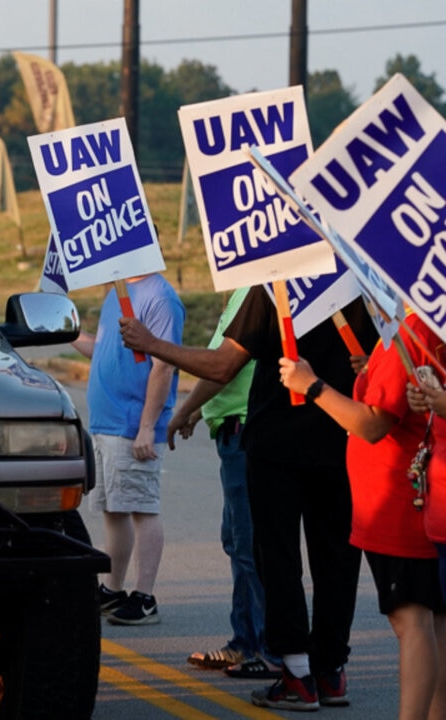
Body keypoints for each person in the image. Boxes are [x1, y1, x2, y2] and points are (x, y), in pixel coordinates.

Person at [120, 288, 376, 711]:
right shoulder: (353, 278)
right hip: (341, 437)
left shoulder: (274, 283)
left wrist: (152, 344)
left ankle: (297, 675)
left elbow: (224, 365)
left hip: (277, 443)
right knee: (336, 559)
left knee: (277, 559)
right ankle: (331, 674)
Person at [281, 311, 446, 719]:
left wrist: (312, 386)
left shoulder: (413, 328)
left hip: (398, 498)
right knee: (431, 623)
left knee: (412, 622)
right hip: (404, 492)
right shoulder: (414, 324)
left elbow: (372, 424)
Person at [170, 288, 278, 679]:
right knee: (237, 542)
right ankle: (244, 642)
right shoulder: (239, 294)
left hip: (246, 432)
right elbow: (229, 372)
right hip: (231, 432)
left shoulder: (254, 290)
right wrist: (200, 410)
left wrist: (183, 408)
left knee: (251, 547)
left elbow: (222, 366)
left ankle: (270, 652)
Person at [71, 272, 184, 626]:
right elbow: (104, 348)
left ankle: (145, 597)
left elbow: (164, 364)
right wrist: (68, 332)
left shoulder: (161, 297)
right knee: (114, 509)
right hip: (105, 422)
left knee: (142, 507)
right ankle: (113, 589)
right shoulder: (116, 292)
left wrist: (147, 426)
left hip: (132, 423)